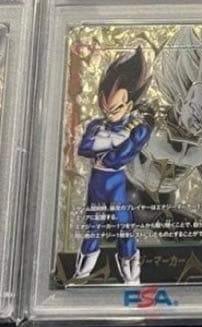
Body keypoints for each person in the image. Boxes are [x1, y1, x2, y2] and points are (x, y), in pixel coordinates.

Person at [72, 48, 152, 284]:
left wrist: (105, 151)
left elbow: (118, 158)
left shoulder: (138, 129)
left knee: (124, 228)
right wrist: (109, 147)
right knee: (93, 227)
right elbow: (84, 148)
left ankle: (132, 279)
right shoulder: (97, 125)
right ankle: (81, 275)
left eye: (115, 108)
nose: (109, 113)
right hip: (97, 184)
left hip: (116, 184)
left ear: (129, 105)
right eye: (105, 107)